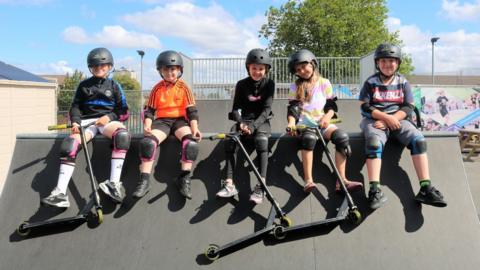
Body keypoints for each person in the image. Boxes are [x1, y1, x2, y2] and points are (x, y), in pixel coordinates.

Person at [359, 43, 447, 210]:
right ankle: (374, 190)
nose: (387, 64)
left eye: (391, 61)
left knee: (419, 141)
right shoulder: (370, 82)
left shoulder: (403, 82)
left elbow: (408, 107)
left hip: (399, 119)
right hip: (374, 120)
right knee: (373, 144)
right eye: (383, 61)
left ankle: (425, 188)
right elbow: (365, 106)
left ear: (398, 63)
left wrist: (391, 119)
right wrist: (385, 118)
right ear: (377, 63)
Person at [42, 47, 131, 207]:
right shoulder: (83, 85)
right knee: (69, 145)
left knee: (122, 136)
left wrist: (108, 117)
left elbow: (123, 111)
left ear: (110, 67)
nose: (99, 69)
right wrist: (75, 121)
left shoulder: (115, 86)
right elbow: (75, 107)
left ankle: (113, 184)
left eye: (103, 66)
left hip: (107, 122)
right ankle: (60, 193)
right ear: (91, 67)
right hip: (86, 123)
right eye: (95, 66)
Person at [286, 49, 362, 194]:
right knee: (308, 139)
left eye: (304, 66)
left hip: (323, 123)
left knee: (342, 137)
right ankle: (308, 180)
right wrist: (291, 123)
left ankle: (341, 180)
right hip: (305, 124)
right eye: (298, 70)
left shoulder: (324, 82)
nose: (302, 71)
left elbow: (331, 106)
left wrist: (327, 118)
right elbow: (293, 109)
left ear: (313, 64)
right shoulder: (295, 86)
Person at [133, 50, 202, 200]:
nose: (170, 72)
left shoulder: (184, 88)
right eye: (166, 69)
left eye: (173, 69)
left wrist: (195, 129)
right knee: (148, 143)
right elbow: (150, 111)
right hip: (162, 121)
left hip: (179, 121)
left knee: (190, 143)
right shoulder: (157, 89)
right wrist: (147, 125)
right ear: (160, 71)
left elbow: (192, 111)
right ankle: (144, 180)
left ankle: (184, 178)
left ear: (179, 70)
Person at [215, 48, 274, 204]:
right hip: (244, 121)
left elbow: (266, 109)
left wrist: (253, 127)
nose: (257, 71)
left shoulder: (269, 84)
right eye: (254, 68)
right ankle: (229, 184)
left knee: (262, 141)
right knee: (230, 140)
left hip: (261, 121)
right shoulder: (241, 84)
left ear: (266, 69)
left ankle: (261, 186)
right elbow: (235, 109)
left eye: (261, 69)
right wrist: (241, 122)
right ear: (248, 68)